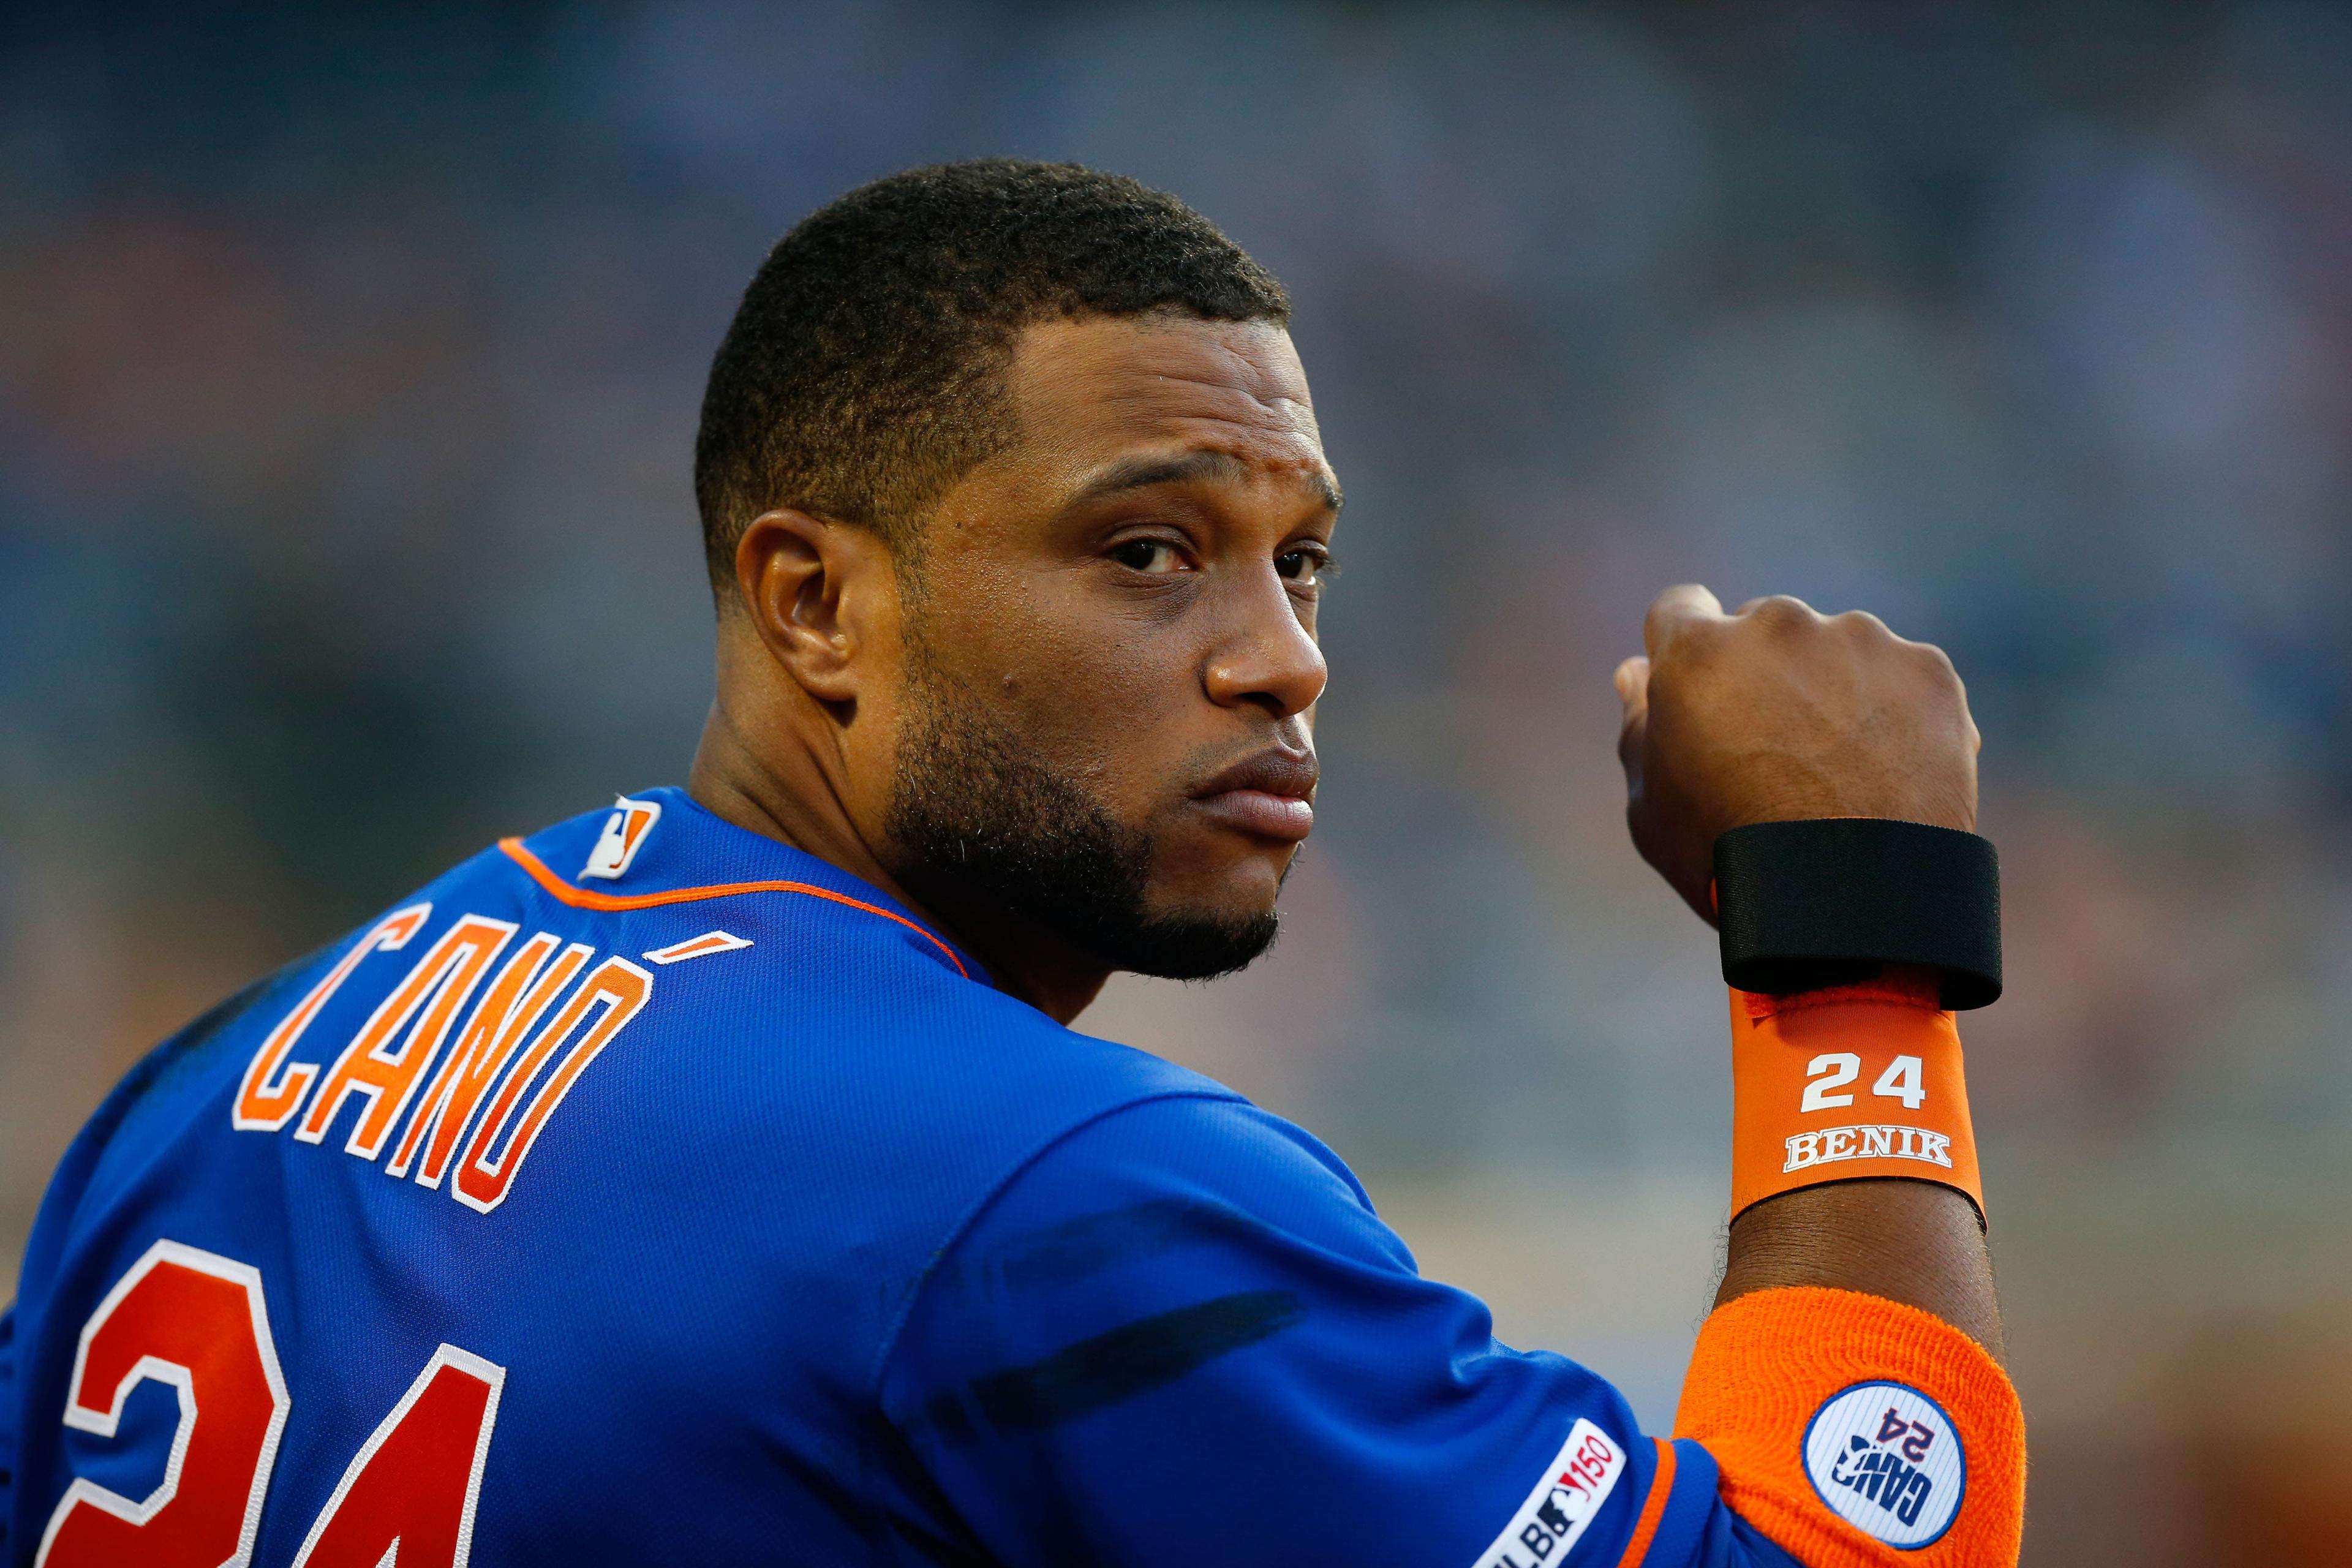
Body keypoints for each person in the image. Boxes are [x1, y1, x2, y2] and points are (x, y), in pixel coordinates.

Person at [0, 160, 2021, 1567]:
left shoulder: (216, 1081)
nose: (1286, 654)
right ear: (811, 603)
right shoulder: (1048, 1200)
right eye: (1150, 552)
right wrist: (1854, 932)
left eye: (1299, 560)